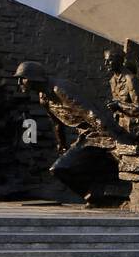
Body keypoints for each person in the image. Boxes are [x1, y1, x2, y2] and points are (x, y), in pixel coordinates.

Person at [15, 60, 120, 204]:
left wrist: (111, 136)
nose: (19, 82)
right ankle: (96, 195)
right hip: (86, 135)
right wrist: (61, 144)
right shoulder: (43, 97)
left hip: (99, 133)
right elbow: (56, 123)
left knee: (62, 168)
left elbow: (90, 112)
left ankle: (98, 195)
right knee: (59, 169)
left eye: (22, 78)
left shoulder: (60, 89)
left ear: (33, 78)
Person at [104, 48, 139, 136]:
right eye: (105, 60)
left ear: (119, 61)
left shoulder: (130, 79)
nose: (106, 64)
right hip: (120, 124)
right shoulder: (112, 80)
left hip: (134, 127)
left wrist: (118, 104)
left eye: (109, 60)